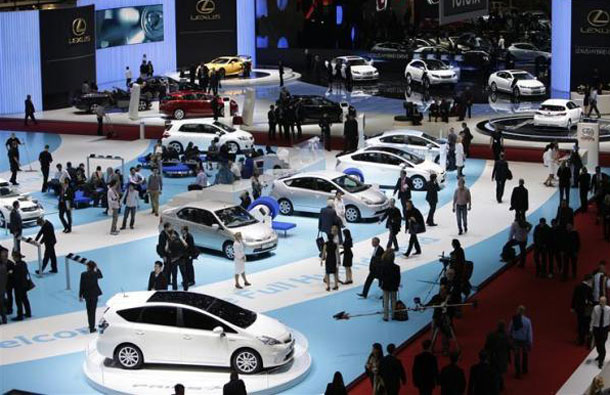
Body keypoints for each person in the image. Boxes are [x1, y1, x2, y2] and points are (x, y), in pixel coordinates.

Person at [484, 321, 511, 391]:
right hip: (502, 358)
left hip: (493, 357)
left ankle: (498, 386)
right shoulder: (506, 337)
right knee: (499, 373)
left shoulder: (491, 335)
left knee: (495, 373)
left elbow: (486, 346)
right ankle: (498, 387)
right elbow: (509, 346)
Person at [508, 305, 533, 378]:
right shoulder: (528, 321)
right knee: (525, 355)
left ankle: (518, 372)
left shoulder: (514, 319)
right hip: (524, 340)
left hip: (516, 340)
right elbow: (529, 332)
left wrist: (510, 336)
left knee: (516, 356)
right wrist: (530, 342)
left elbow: (510, 329)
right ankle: (524, 369)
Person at [79, 261, 103, 333]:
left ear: (88, 267)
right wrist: (97, 268)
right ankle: (92, 328)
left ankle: (91, 325)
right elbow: (101, 276)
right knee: (93, 311)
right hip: (94, 295)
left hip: (87, 295)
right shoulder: (95, 274)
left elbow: (81, 285)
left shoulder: (83, 274)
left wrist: (80, 295)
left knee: (89, 311)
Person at [572, 274, 594, 346]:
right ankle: (587, 340)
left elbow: (574, 297)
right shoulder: (588, 288)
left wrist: (572, 307)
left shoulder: (578, 286)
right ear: (589, 280)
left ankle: (581, 339)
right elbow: (591, 299)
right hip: (586, 309)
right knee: (586, 324)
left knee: (580, 323)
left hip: (579, 308)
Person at [380, 250, 400, 321]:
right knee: (394, 300)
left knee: (385, 301)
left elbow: (382, 276)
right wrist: (397, 285)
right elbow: (398, 278)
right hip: (394, 286)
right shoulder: (397, 267)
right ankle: (393, 315)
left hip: (386, 285)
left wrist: (382, 283)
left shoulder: (383, 266)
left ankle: (386, 316)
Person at [10, 251, 31, 321]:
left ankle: (20, 315)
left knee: (18, 301)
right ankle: (28, 313)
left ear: (16, 257)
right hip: (24, 284)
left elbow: (16, 277)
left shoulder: (16, 266)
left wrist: (11, 274)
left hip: (18, 286)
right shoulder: (24, 264)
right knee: (25, 299)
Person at [592, 296, 610, 369]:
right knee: (597, 344)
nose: (601, 303)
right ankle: (599, 355)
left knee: (602, 344)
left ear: (605, 302)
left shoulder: (609, 309)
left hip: (604, 329)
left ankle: (601, 361)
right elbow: (593, 318)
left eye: (603, 301)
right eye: (600, 301)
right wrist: (590, 328)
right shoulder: (595, 308)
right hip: (596, 328)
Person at [321, 225, 340, 291]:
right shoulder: (334, 243)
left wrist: (322, 259)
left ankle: (329, 285)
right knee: (334, 271)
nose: (334, 231)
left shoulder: (327, 243)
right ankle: (334, 283)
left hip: (330, 258)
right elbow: (337, 250)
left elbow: (324, 252)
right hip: (333, 257)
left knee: (329, 271)